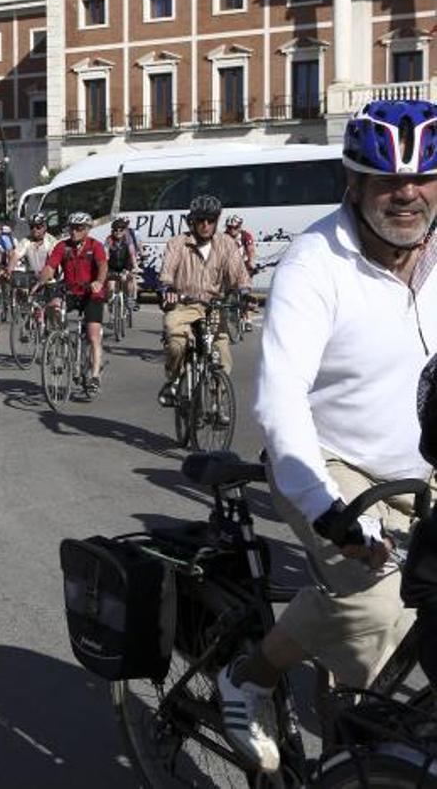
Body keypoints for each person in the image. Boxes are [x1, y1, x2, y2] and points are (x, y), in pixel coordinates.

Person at [218, 99, 437, 773]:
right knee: (375, 605)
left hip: (423, 463)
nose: (404, 194)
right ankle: (248, 675)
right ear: (352, 184)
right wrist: (326, 510)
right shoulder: (316, 260)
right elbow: (280, 397)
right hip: (329, 462)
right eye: (383, 181)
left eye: (421, 178)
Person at [156, 195, 250, 407]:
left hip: (214, 307)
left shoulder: (227, 244)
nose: (205, 225)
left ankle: (219, 402)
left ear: (217, 221)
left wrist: (244, 291)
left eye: (210, 220)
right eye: (200, 220)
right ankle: (173, 380)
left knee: (222, 355)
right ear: (193, 221)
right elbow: (167, 272)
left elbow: (238, 273)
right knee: (177, 343)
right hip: (184, 304)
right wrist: (168, 287)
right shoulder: (178, 243)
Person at [36, 211, 107, 391]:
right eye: (72, 228)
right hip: (70, 291)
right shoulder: (62, 246)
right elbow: (50, 267)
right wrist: (40, 282)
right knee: (53, 306)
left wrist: (99, 282)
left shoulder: (95, 246)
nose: (74, 232)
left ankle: (95, 376)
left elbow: (102, 266)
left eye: (79, 228)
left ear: (87, 229)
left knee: (92, 335)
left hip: (92, 294)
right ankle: (58, 338)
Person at [104, 216, 140, 311]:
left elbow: (132, 254)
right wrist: (103, 266)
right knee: (111, 287)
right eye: (116, 230)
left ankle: (129, 299)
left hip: (126, 265)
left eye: (121, 230)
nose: (118, 232)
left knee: (128, 280)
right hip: (112, 266)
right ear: (112, 231)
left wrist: (135, 266)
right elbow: (105, 254)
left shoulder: (128, 239)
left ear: (124, 231)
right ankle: (110, 303)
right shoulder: (109, 239)